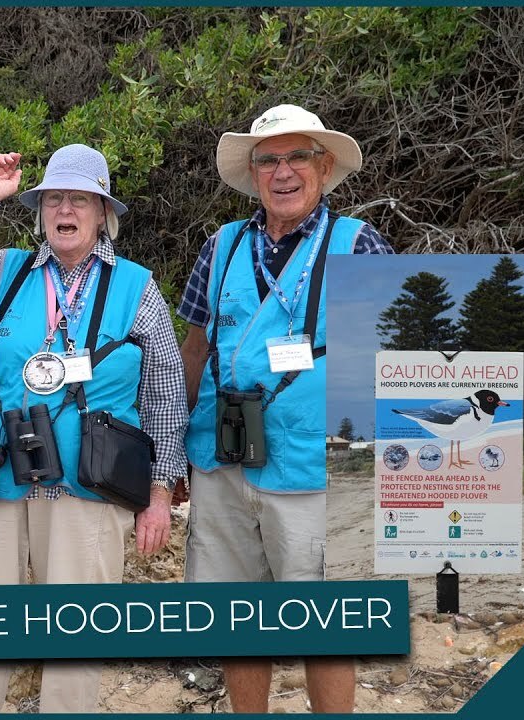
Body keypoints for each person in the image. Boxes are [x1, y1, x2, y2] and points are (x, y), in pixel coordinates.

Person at [0, 145, 187, 713]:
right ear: (40, 209)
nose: (66, 210)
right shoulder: (9, 271)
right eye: (55, 199)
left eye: (81, 200)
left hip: (91, 483)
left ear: (102, 213)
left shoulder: (136, 287)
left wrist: (160, 490)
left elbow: (163, 390)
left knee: (75, 640)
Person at [177, 104, 394, 713]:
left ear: (324, 167)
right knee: (239, 619)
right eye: (269, 159)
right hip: (222, 461)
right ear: (253, 172)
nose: (283, 171)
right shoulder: (221, 246)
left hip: (314, 469)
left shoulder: (358, 244)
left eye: (298, 156)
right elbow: (194, 351)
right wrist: (170, 453)